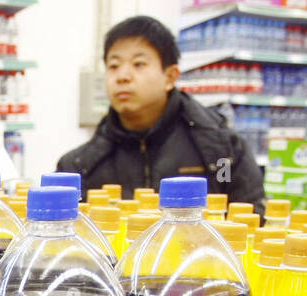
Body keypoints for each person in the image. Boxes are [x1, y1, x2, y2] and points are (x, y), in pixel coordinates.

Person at [57, 15, 266, 212]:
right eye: (113, 66)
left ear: (170, 77)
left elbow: (247, 218)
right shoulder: (80, 166)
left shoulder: (221, 154)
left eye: (138, 64)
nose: (122, 76)